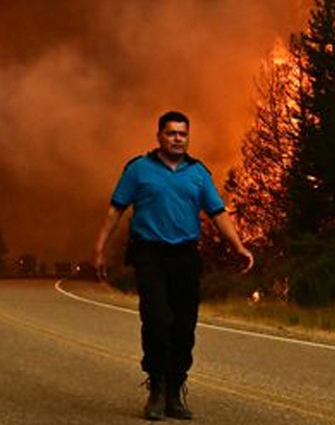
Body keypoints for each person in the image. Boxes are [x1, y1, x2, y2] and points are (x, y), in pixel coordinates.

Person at [94, 111, 254, 421]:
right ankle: (156, 389)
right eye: (171, 133)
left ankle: (175, 391)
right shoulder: (138, 169)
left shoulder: (197, 173)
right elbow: (115, 211)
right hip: (149, 254)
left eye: (182, 134)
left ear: (188, 138)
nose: (177, 138)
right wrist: (99, 249)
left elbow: (218, 213)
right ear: (159, 136)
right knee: (156, 321)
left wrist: (238, 246)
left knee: (184, 326)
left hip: (185, 256)